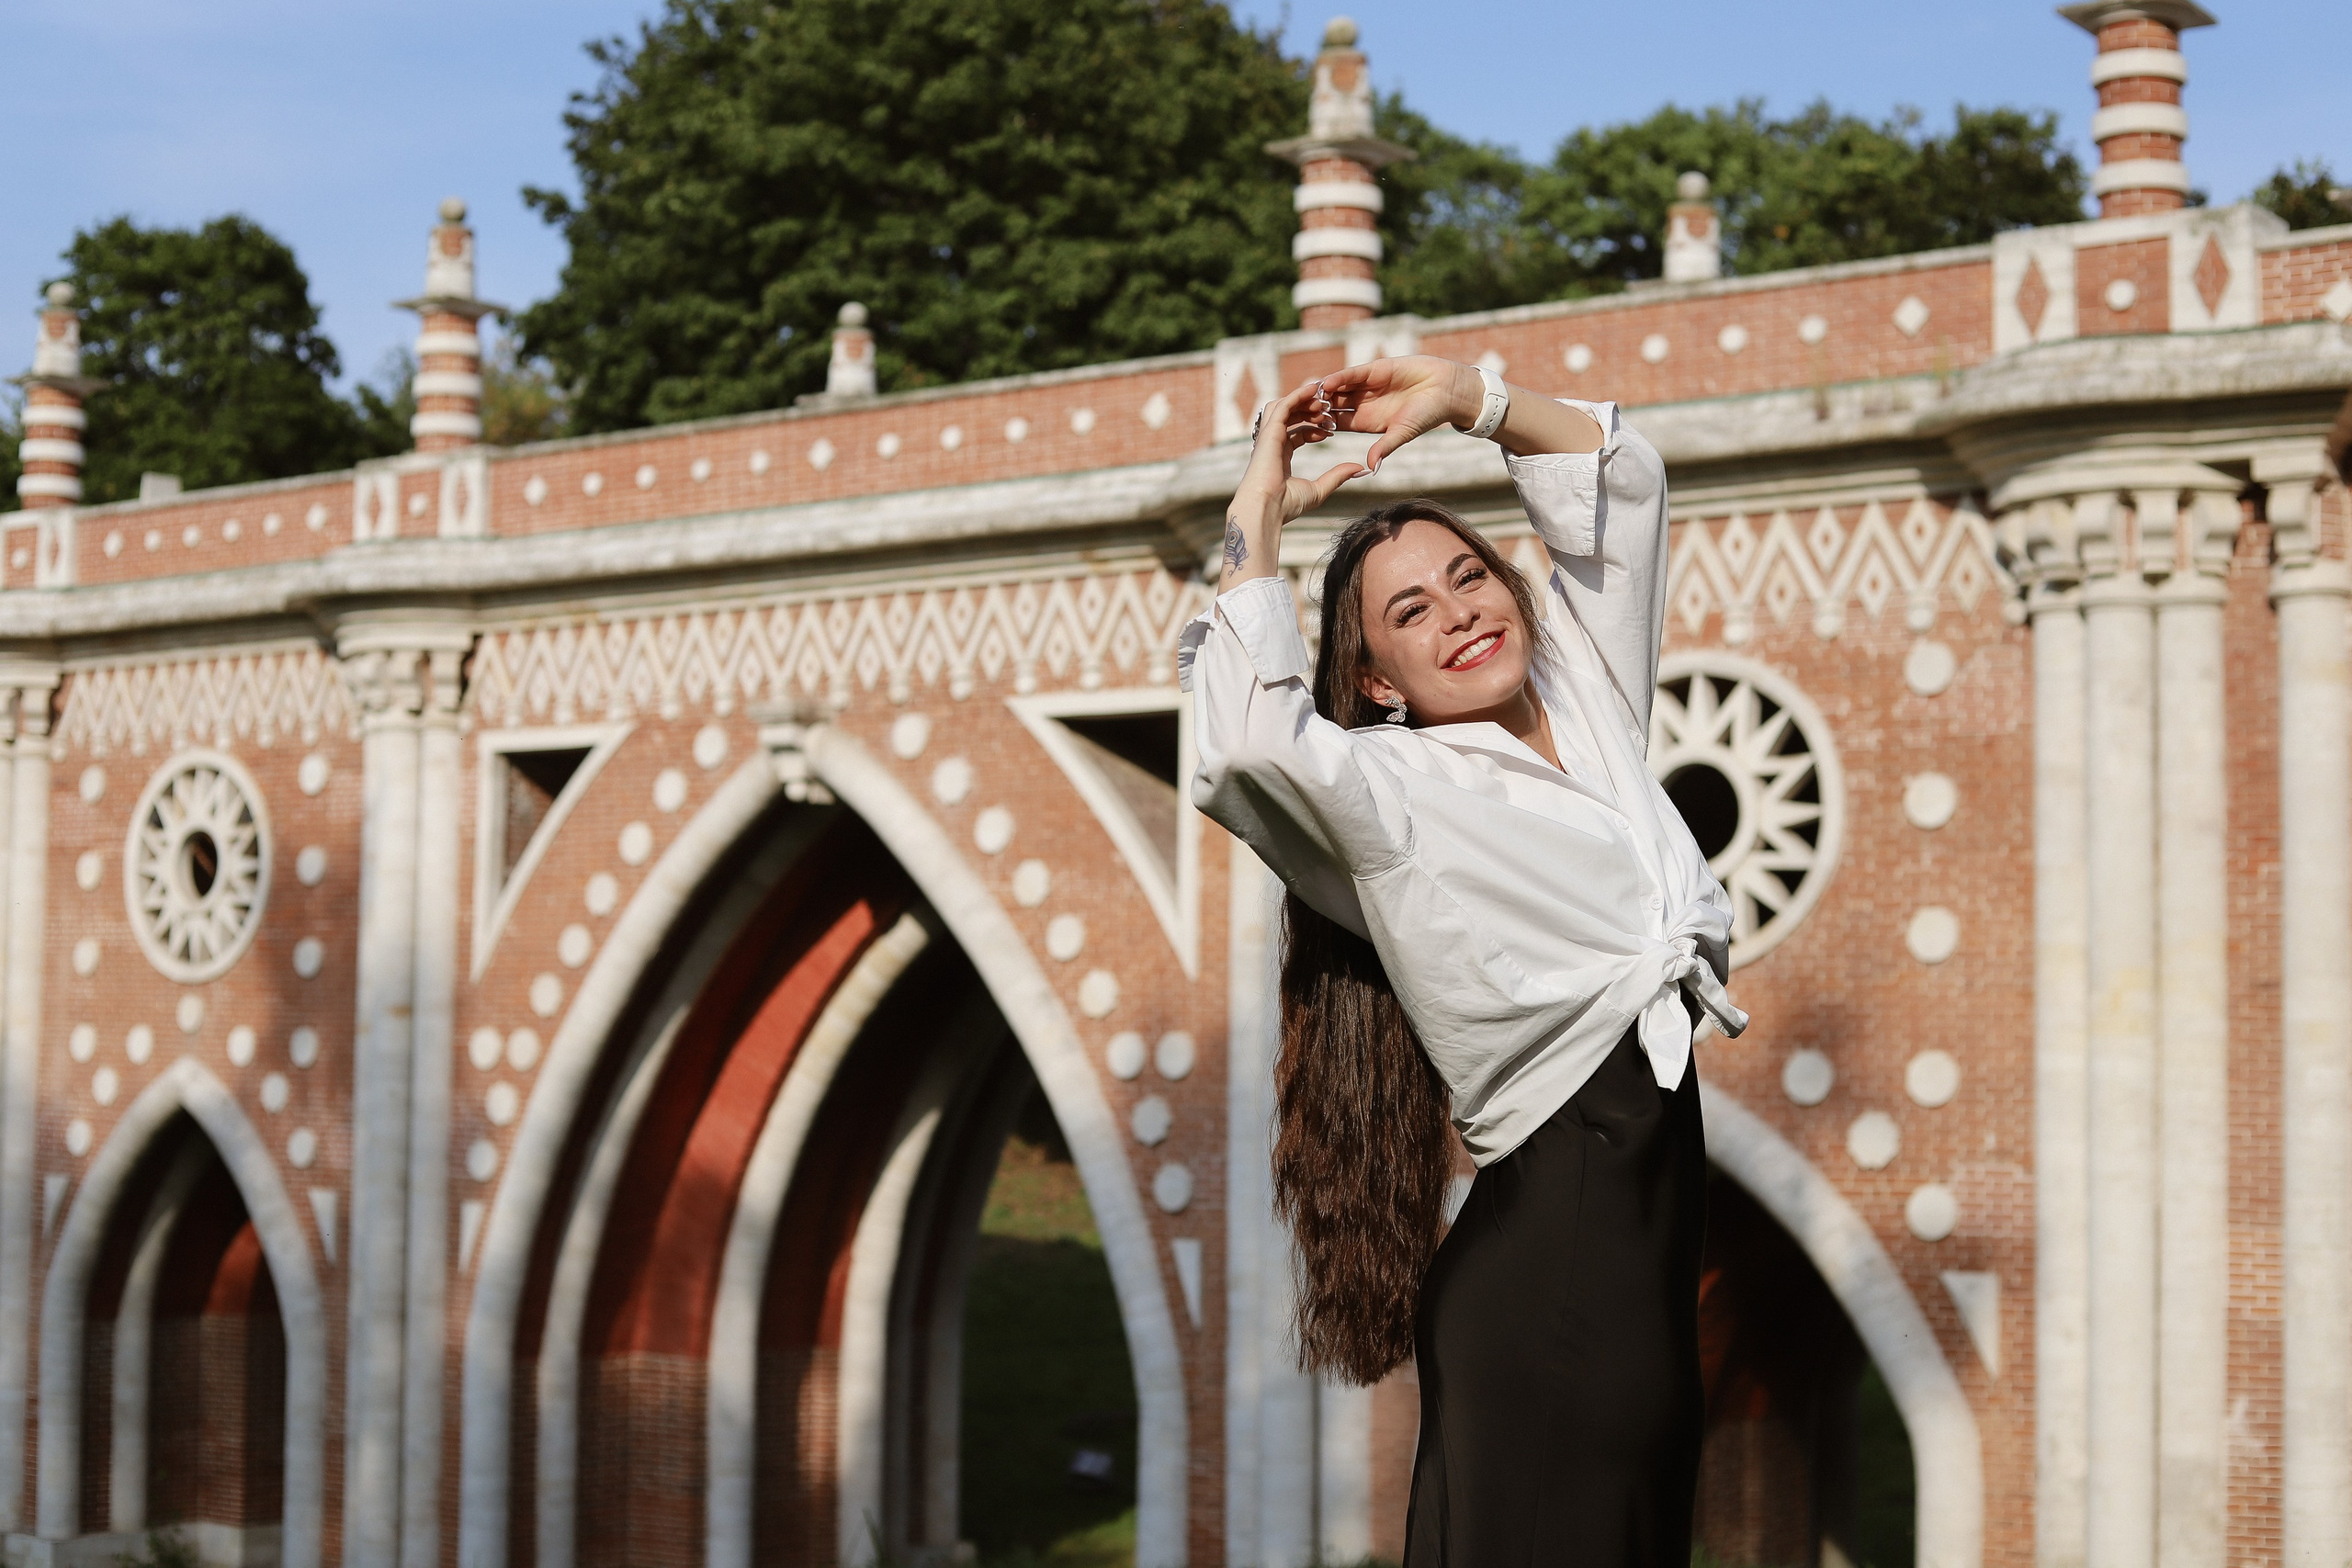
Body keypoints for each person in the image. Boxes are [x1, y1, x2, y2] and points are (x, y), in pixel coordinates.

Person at [1178, 355, 1747, 1565]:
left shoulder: (1591, 698)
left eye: (1467, 575)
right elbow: (1238, 749)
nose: (1463, 614)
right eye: (1413, 613)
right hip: (1548, 1289)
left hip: (1640, 1286)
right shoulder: (1390, 794)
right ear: (1379, 682)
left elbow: (1621, 477)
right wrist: (1258, 511)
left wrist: (1464, 399)